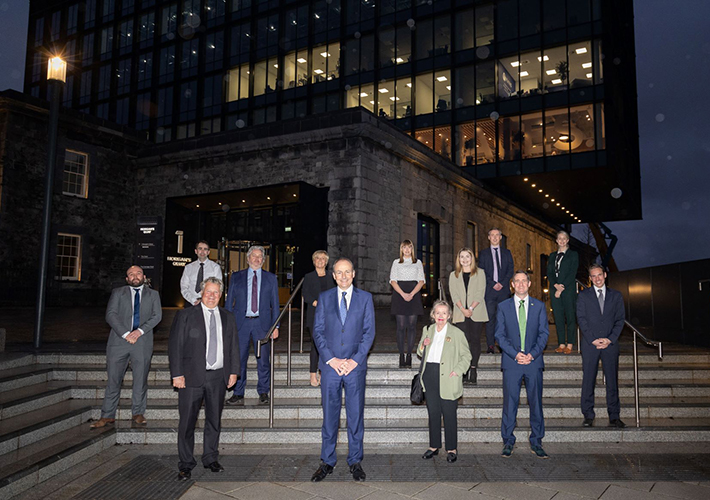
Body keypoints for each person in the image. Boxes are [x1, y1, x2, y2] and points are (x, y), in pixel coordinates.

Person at [310, 258, 376, 483]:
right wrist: (331, 360)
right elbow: (317, 332)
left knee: (355, 416)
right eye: (340, 272)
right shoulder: (325, 298)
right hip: (330, 368)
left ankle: (355, 460)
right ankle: (327, 461)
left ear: (354, 274)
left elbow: (369, 333)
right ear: (334, 276)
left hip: (355, 368)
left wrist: (354, 361)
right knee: (330, 417)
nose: (344, 276)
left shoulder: (365, 299)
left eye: (347, 272)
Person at [168, 277, 240, 481]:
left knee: (214, 420)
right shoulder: (186, 315)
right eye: (208, 291)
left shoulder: (228, 317)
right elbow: (175, 346)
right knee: (187, 422)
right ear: (201, 292)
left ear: (221, 295)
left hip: (218, 377)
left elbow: (234, 345)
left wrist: (233, 371)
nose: (211, 296)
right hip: (190, 377)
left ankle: (210, 458)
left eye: (216, 292)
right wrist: (177, 374)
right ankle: (186, 463)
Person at [90, 265, 162, 429]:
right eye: (131, 274)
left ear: (144, 277)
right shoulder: (118, 293)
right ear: (127, 278)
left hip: (142, 342)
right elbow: (111, 315)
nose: (135, 276)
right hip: (118, 343)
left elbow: (157, 316)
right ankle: (107, 415)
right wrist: (125, 334)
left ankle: (138, 413)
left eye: (138, 273)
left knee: (140, 380)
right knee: (113, 380)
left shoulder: (153, 294)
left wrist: (139, 332)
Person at [495, 271, 550, 459]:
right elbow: (499, 335)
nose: (520, 284)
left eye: (523, 281)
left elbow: (544, 334)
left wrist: (532, 355)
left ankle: (537, 441)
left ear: (529, 283)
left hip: (533, 363)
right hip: (512, 362)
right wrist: (515, 353)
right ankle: (508, 441)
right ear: (512, 284)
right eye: (516, 281)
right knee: (510, 404)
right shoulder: (503, 307)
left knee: (536, 403)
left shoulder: (539, 306)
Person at [225, 245, 280, 406]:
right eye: (254, 256)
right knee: (238, 359)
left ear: (263, 260)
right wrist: (228, 324)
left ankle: (263, 391)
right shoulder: (236, 277)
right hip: (240, 324)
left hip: (262, 324)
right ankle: (238, 392)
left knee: (263, 360)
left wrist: (275, 327)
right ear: (248, 258)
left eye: (260, 257)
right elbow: (229, 303)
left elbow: (275, 304)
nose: (257, 259)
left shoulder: (271, 278)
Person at [418, 300, 471, 463]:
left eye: (444, 313)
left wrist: (458, 371)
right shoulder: (427, 330)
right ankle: (433, 446)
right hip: (430, 375)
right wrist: (422, 346)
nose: (440, 316)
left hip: (448, 376)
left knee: (449, 414)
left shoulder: (456, 333)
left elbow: (466, 356)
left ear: (449, 316)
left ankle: (451, 448)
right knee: (433, 413)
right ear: (433, 315)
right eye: (437, 313)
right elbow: (420, 352)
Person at [577, 264, 626, 428]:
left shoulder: (616, 296)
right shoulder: (583, 296)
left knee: (612, 380)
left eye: (599, 275)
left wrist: (610, 339)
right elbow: (581, 319)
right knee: (588, 379)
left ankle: (614, 415)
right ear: (590, 279)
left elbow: (620, 320)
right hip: (590, 345)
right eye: (593, 276)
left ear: (605, 275)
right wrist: (593, 339)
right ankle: (588, 415)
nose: (597, 278)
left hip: (610, 345)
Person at [448, 247, 488, 385]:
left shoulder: (480, 273)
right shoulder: (454, 275)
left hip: (476, 311)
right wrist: (463, 309)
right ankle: (464, 370)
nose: (465, 259)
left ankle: (473, 368)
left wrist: (470, 308)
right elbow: (454, 294)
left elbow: (480, 292)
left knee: (475, 340)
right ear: (458, 259)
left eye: (467, 256)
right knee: (463, 342)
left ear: (472, 259)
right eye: (462, 257)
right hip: (460, 312)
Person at [389, 239, 425, 368]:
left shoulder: (418, 262)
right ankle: (401, 355)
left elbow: (421, 281)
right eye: (404, 247)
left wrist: (412, 294)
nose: (407, 250)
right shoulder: (396, 262)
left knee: (411, 326)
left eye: (409, 247)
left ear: (412, 249)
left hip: (414, 294)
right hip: (399, 294)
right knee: (400, 326)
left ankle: (409, 354)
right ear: (401, 249)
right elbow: (393, 280)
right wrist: (403, 294)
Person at [302, 250, 336, 387]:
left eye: (323, 259)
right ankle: (312, 374)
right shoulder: (309, 277)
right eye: (318, 258)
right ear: (314, 261)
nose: (320, 261)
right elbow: (306, 294)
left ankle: (323, 372)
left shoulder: (331, 276)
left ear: (326, 262)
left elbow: (336, 293)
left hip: (329, 316)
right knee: (315, 345)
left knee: (327, 345)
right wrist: (315, 302)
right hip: (314, 315)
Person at [479, 228, 514, 354]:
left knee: (503, 319)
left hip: (504, 291)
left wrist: (502, 283)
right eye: (492, 235)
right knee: (490, 319)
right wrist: (493, 283)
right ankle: (490, 345)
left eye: (497, 235)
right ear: (488, 237)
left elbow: (510, 270)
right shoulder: (483, 253)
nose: (494, 237)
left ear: (500, 237)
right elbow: (481, 271)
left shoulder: (507, 253)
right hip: (489, 291)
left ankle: (503, 345)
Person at [547, 231, 579, 354]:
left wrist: (561, 287)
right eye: (559, 238)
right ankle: (561, 343)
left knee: (570, 316)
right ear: (556, 240)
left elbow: (572, 273)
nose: (561, 240)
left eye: (564, 238)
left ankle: (570, 344)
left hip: (568, 289)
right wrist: (555, 285)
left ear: (567, 240)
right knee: (558, 317)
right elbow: (549, 272)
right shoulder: (552, 255)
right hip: (554, 289)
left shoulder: (573, 254)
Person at [180, 240, 222, 307]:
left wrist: (204, 300)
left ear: (208, 252)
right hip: (191, 304)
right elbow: (184, 287)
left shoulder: (215, 268)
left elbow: (218, 288)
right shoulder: (188, 268)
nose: (202, 251)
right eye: (200, 249)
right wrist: (193, 300)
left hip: (209, 303)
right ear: (196, 251)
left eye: (205, 249)